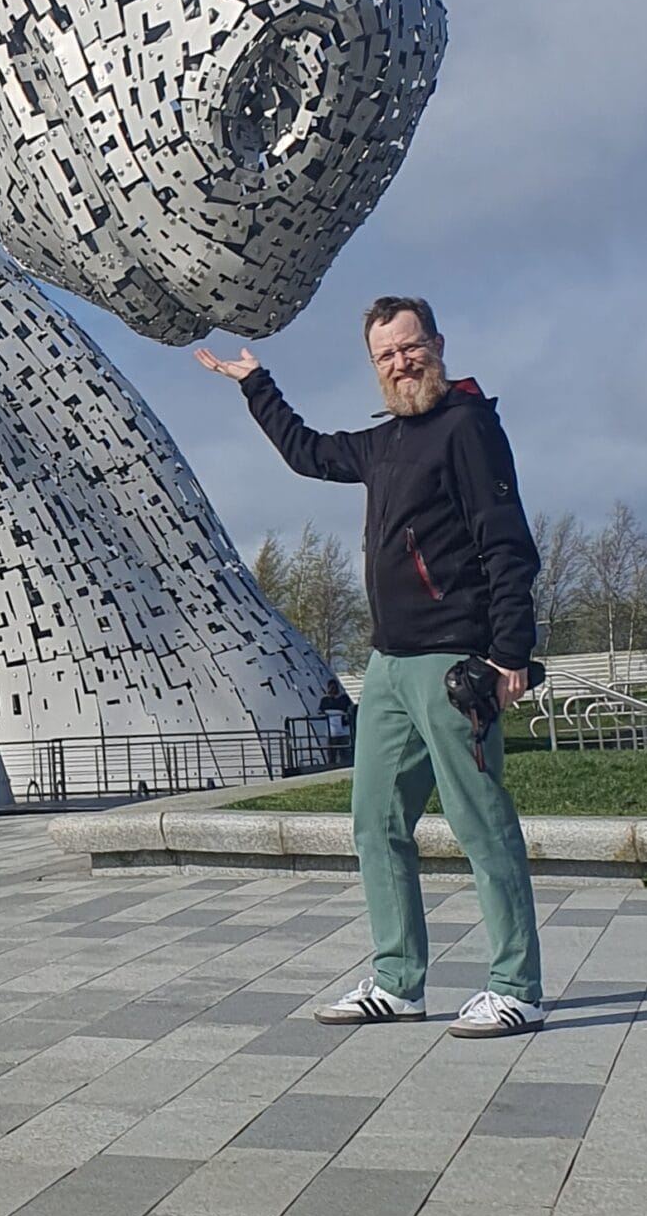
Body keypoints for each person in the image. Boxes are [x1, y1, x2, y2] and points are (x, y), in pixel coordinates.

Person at [199, 296, 545, 1038]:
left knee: (481, 824)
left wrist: (509, 654)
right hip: (386, 668)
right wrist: (255, 386)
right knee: (374, 824)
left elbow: (506, 543)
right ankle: (397, 981)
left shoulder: (467, 428)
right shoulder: (384, 443)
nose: (400, 364)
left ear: (436, 345)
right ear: (374, 366)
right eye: (385, 355)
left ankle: (516, 986)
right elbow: (307, 452)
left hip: (456, 662)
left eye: (410, 348)